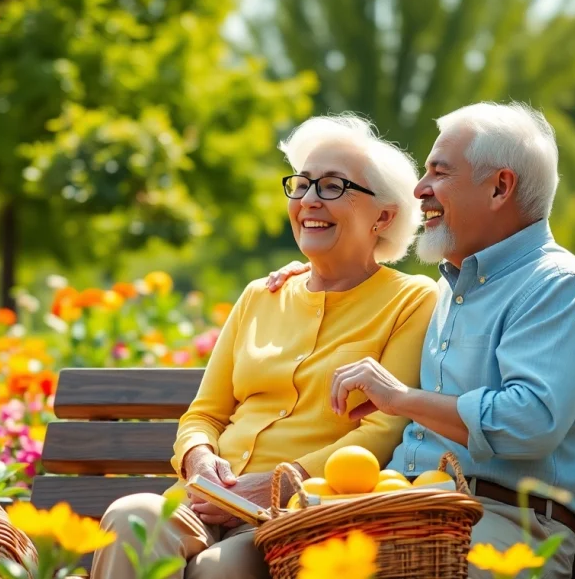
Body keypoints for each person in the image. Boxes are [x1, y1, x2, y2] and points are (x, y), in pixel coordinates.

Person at [266, 102, 575, 578]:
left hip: (503, 527)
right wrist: (311, 271)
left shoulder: (556, 284)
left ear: (500, 187)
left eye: (439, 172)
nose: (419, 189)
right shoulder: (450, 287)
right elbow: (360, 277)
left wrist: (402, 399)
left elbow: (530, 422)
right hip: (410, 512)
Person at [90, 114, 439, 579]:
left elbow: (382, 430)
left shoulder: (412, 299)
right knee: (132, 517)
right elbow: (205, 414)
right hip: (200, 502)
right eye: (302, 185)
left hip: (295, 517)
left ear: (384, 216)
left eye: (333, 186)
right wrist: (197, 458)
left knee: (216, 571)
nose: (309, 200)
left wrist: (275, 484)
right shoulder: (261, 294)